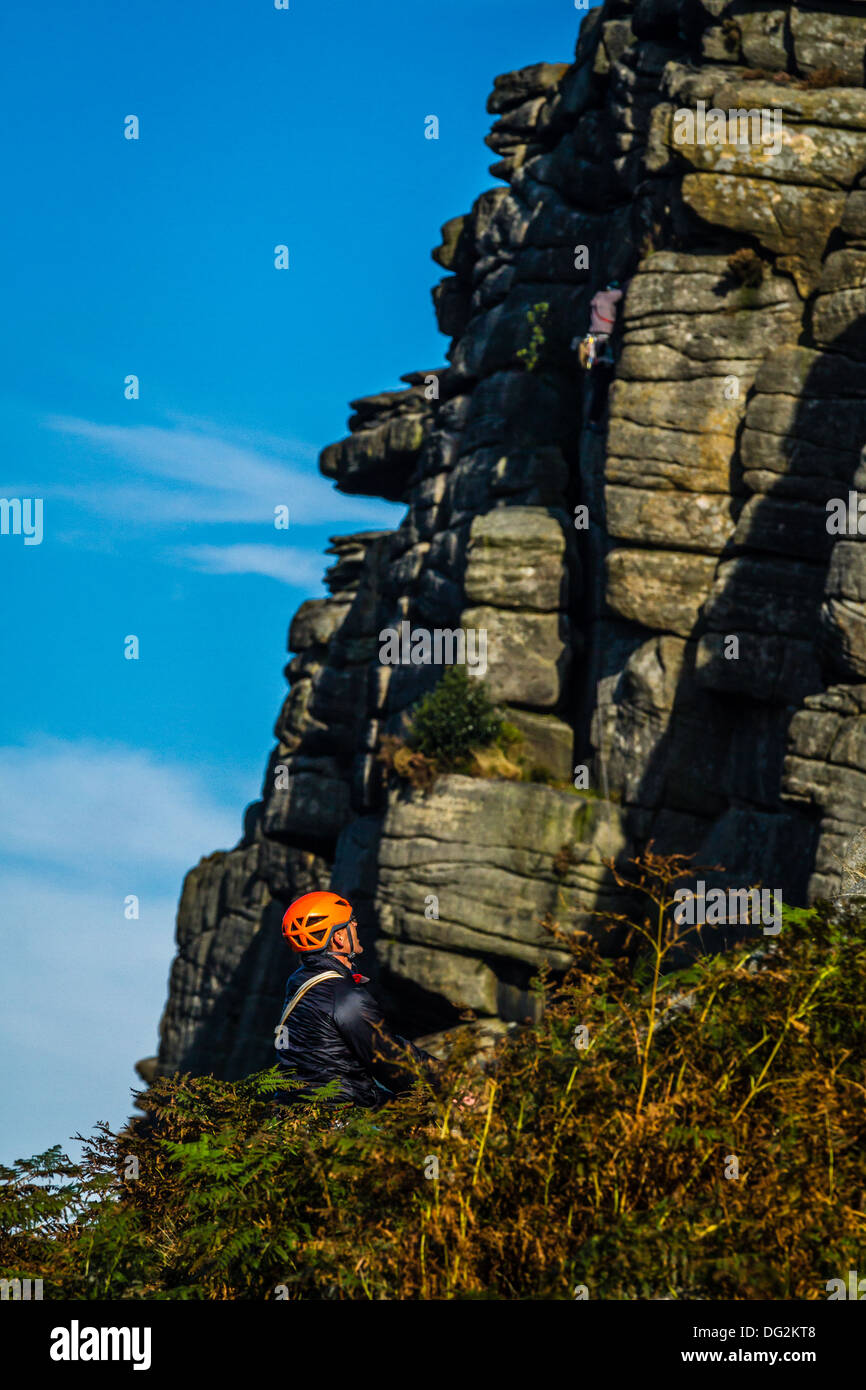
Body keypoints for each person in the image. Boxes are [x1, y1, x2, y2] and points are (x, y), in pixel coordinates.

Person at [274, 890, 440, 1109]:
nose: (356, 924)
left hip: (301, 1112)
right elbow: (389, 1060)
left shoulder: (300, 982)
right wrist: (446, 1082)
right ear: (338, 938)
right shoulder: (343, 995)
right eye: (351, 921)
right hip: (345, 1115)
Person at [572, 279, 625, 432]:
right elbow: (622, 293)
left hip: (593, 341)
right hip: (601, 343)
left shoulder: (596, 299)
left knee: (596, 386)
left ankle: (592, 420)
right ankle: (594, 420)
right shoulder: (607, 298)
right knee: (601, 388)